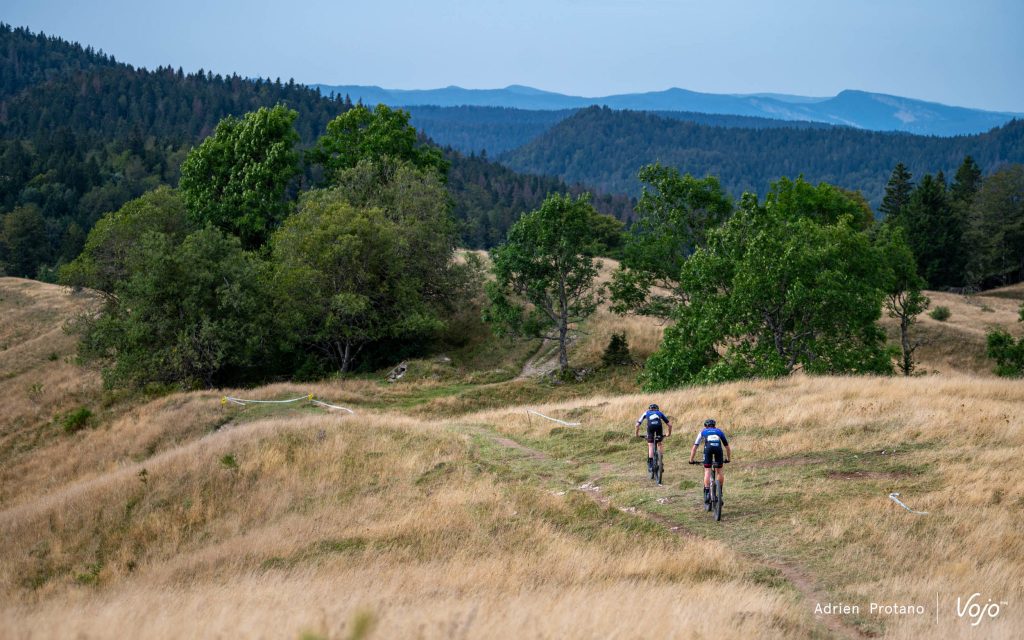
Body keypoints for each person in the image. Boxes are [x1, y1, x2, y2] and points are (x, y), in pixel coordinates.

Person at [689, 419, 731, 505]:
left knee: (707, 470)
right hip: (718, 450)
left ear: (705, 426)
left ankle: (707, 492)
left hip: (708, 449)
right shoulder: (719, 431)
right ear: (714, 425)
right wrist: (728, 458)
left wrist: (691, 460)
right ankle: (720, 493)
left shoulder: (703, 431)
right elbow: (727, 447)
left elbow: (695, 447)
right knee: (719, 471)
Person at [635, 403, 672, 472]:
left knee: (650, 445)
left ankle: (651, 464)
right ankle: (661, 461)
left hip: (650, 428)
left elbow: (637, 425)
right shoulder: (659, 413)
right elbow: (670, 425)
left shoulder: (646, 413)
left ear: (649, 409)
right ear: (657, 409)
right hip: (659, 427)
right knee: (659, 443)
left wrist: (637, 434)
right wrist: (668, 433)